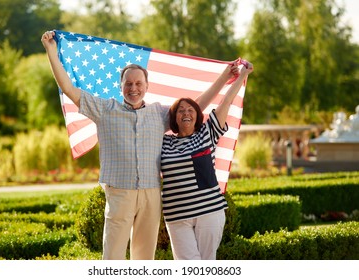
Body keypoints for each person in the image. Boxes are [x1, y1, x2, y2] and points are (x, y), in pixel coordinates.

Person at [41, 30, 240, 260]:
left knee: (144, 258)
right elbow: (69, 89)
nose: (133, 88)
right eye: (128, 84)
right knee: (113, 257)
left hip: (151, 193)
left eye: (138, 83)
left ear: (146, 86)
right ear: (121, 86)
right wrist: (51, 52)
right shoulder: (105, 110)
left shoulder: (159, 114)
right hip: (119, 192)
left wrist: (225, 77)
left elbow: (195, 107)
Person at [161, 60, 253, 260]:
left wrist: (242, 76)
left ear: (197, 115)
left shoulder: (207, 132)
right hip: (177, 216)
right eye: (181, 110)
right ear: (174, 118)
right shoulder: (163, 142)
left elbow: (225, 102)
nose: (186, 113)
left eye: (190, 109)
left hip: (210, 211)